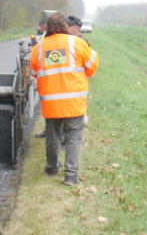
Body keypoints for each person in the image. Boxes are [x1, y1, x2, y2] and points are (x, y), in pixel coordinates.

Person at [30, 11, 99, 186]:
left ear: (47, 27)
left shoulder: (39, 47)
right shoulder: (77, 43)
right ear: (64, 26)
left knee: (53, 136)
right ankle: (70, 175)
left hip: (51, 103)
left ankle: (52, 168)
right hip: (74, 103)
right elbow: (92, 67)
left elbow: (33, 72)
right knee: (74, 137)